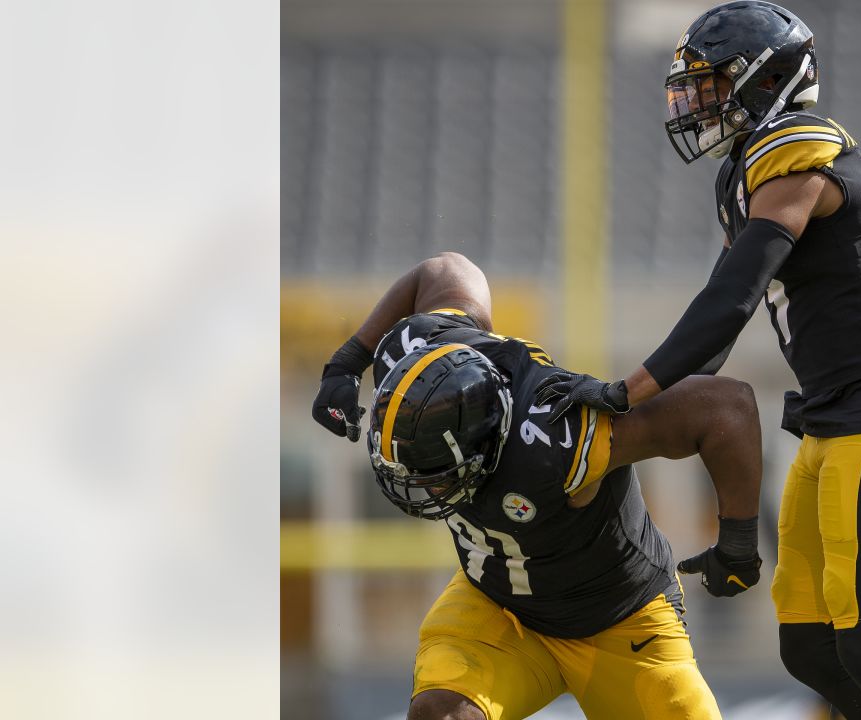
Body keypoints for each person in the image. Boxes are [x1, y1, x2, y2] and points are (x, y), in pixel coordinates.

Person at [534, 3, 861, 719]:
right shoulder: (750, 170)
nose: (695, 100)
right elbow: (722, 335)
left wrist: (627, 390)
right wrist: (734, 536)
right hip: (839, 417)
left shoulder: (800, 148)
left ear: (767, 81)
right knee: (810, 645)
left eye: (711, 82)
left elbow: (730, 300)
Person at [309, 252, 765, 720]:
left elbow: (727, 407)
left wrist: (737, 542)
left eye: (439, 474)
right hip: (497, 606)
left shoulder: (560, 438)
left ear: (485, 444)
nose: (428, 490)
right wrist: (348, 360)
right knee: (441, 715)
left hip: (621, 622)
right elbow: (446, 270)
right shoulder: (415, 353)